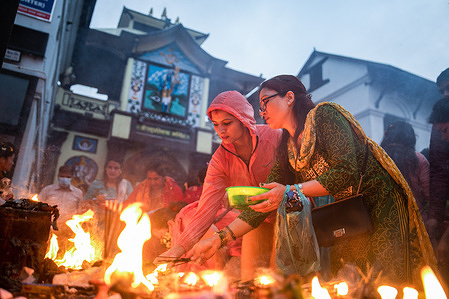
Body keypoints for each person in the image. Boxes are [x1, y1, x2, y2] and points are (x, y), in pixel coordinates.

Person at [187, 75, 437, 287]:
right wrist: (218, 239)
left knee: (387, 278)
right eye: (259, 106)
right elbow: (265, 200)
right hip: (349, 214)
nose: (261, 111)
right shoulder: (286, 147)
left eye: (265, 102)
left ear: (289, 97)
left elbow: (345, 171)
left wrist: (290, 190)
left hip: (380, 203)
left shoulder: (325, 115)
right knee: (351, 280)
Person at [154, 90, 282, 281]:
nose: (220, 130)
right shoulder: (220, 159)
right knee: (250, 284)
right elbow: (205, 210)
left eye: (227, 123)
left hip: (289, 216)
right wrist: (178, 249)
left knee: (280, 284)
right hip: (255, 221)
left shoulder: (274, 137)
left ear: (243, 119)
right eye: (215, 125)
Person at [380, 121, 430, 221]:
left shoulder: (379, 159)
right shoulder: (419, 159)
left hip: (386, 222)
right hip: (417, 222)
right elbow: (429, 194)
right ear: (411, 138)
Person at [427, 67, 449, 284]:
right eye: (442, 91)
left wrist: (446, 239)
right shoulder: (440, 120)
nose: (445, 94)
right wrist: (434, 216)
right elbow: (439, 172)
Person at [39, 165, 83, 254]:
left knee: (64, 255)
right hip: (47, 228)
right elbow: (38, 207)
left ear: (72, 177)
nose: (64, 179)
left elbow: (80, 213)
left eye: (68, 177)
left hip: (67, 231)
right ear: (58, 176)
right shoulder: (47, 190)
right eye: (62, 176)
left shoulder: (78, 193)